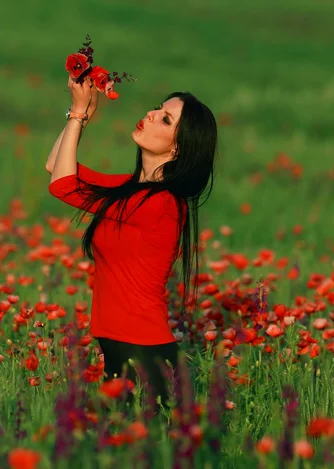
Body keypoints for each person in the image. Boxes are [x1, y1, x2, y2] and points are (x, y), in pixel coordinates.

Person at [45, 74, 218, 412]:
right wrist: (79, 113)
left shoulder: (161, 204)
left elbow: (62, 185)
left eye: (165, 119)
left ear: (177, 147)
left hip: (144, 354)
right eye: (158, 109)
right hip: (122, 347)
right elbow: (56, 168)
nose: (152, 114)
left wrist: (80, 116)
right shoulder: (130, 190)